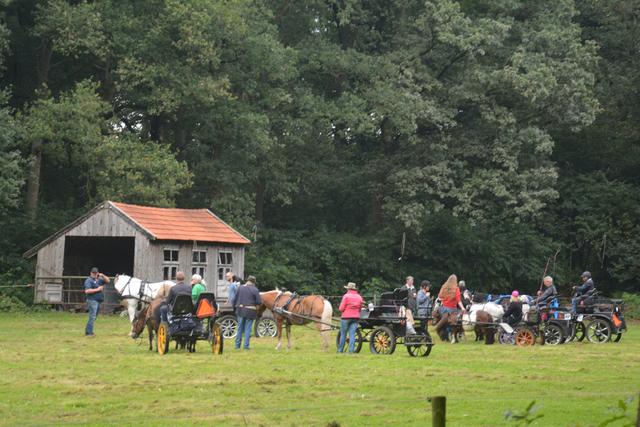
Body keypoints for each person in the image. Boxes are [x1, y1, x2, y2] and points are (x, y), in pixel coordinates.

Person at [232, 275, 263, 350]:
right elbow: (259, 302)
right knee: (248, 329)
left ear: (247, 281)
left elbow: (233, 300)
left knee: (239, 328)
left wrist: (235, 309)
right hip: (250, 311)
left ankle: (237, 346)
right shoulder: (254, 289)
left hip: (240, 310)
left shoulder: (240, 288)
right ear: (254, 283)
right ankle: (246, 346)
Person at [338, 282, 363, 354]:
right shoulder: (359, 297)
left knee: (343, 334)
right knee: (352, 334)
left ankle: (340, 350)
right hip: (355, 318)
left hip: (346, 318)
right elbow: (360, 309)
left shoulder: (346, 296)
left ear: (348, 289)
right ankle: (351, 351)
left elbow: (341, 308)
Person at [438, 274, 466, 341]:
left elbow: (440, 296)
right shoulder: (456, 288)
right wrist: (462, 308)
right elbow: (458, 299)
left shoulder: (444, 287)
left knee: (445, 323)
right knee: (451, 324)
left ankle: (446, 337)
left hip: (444, 307)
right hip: (452, 308)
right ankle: (452, 336)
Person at [84, 267, 109, 337]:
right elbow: (87, 291)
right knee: (92, 317)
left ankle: (87, 331)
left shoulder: (99, 279)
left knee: (94, 317)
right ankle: (89, 332)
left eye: (95, 273)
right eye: (93, 273)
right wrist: (97, 289)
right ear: (91, 273)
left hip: (98, 301)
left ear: (97, 273)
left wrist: (103, 275)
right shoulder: (88, 281)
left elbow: (108, 281)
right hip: (92, 300)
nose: (94, 274)